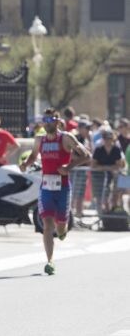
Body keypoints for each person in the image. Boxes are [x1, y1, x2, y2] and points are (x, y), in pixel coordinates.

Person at [20, 109, 91, 275]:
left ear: (57, 121)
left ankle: (63, 230)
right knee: (47, 225)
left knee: (60, 227)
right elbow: (33, 156)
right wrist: (26, 164)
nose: (47, 122)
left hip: (63, 188)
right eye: (45, 120)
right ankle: (50, 261)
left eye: (51, 119)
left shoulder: (66, 138)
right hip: (46, 187)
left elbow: (86, 155)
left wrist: (69, 166)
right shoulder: (39, 140)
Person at [90, 128, 126, 213]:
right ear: (103, 139)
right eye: (106, 138)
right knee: (101, 195)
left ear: (113, 139)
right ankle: (103, 213)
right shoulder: (98, 149)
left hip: (113, 176)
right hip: (99, 176)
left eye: (110, 138)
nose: (108, 140)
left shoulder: (116, 149)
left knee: (117, 192)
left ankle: (113, 210)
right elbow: (93, 165)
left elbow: (119, 165)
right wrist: (107, 168)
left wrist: (104, 167)